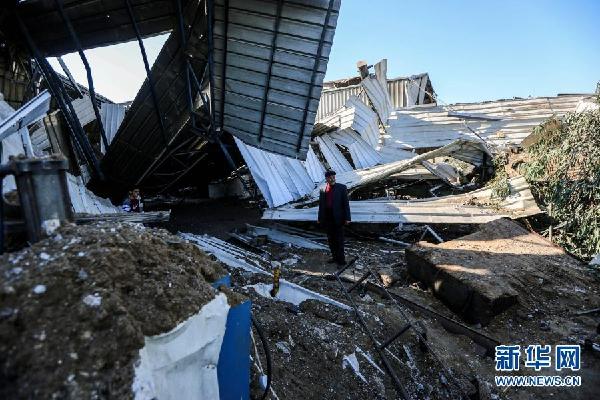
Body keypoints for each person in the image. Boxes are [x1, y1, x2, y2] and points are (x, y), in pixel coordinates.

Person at [318, 170, 351, 266]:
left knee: (339, 239)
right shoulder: (322, 189)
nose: (332, 179)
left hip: (338, 218)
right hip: (327, 217)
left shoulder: (342, 187)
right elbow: (321, 205)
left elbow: (346, 204)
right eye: (330, 177)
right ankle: (334, 257)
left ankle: (341, 260)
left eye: (333, 177)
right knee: (331, 239)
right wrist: (320, 218)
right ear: (326, 179)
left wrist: (347, 218)